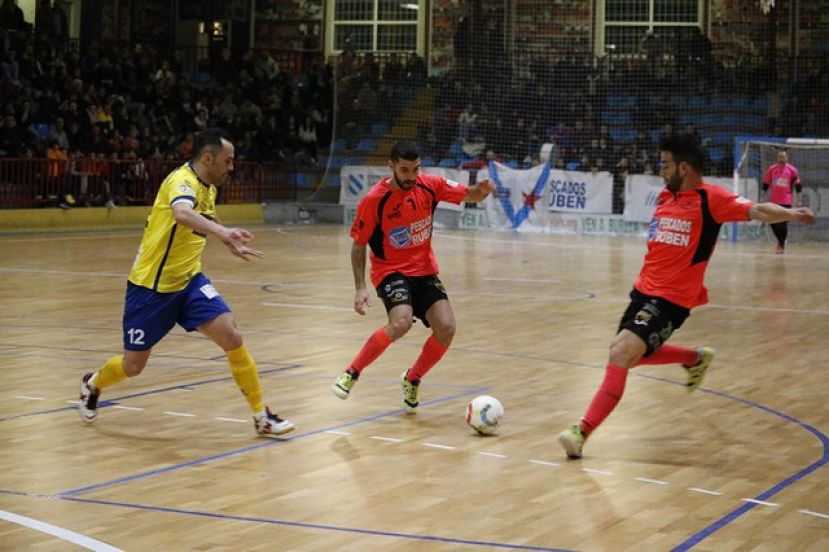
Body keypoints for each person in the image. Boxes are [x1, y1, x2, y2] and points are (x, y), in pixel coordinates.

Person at [558, 133, 815, 459]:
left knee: (621, 352)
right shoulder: (666, 196)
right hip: (642, 291)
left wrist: (791, 214)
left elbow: (758, 210)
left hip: (673, 299)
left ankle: (581, 432)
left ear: (684, 167)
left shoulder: (712, 199)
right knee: (635, 354)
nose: (660, 171)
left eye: (665, 164)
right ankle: (694, 358)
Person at [78, 128, 294, 436]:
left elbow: (207, 216)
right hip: (151, 288)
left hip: (190, 281)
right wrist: (222, 233)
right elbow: (182, 213)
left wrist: (227, 239)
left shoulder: (208, 187)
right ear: (208, 158)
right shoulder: (181, 181)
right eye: (228, 161)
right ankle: (92, 384)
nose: (232, 167)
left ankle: (262, 416)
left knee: (232, 336)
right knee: (133, 366)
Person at [331, 140, 495, 412]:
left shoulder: (430, 185)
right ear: (391, 166)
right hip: (390, 271)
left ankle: (412, 378)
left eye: (415, 169)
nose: (411, 176)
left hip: (424, 270)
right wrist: (360, 287)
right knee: (401, 323)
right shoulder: (374, 199)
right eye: (405, 170)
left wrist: (483, 191)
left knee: (447, 328)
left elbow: (472, 195)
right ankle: (352, 372)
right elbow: (359, 244)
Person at [761, 150, 802, 254]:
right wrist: (762, 197)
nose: (781, 159)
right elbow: (766, 184)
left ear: (787, 158)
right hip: (774, 201)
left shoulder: (792, 170)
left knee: (783, 224)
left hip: (786, 201)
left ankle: (781, 245)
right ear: (777, 158)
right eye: (780, 157)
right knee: (771, 221)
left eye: (783, 157)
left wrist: (799, 200)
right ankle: (781, 241)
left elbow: (798, 186)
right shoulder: (772, 169)